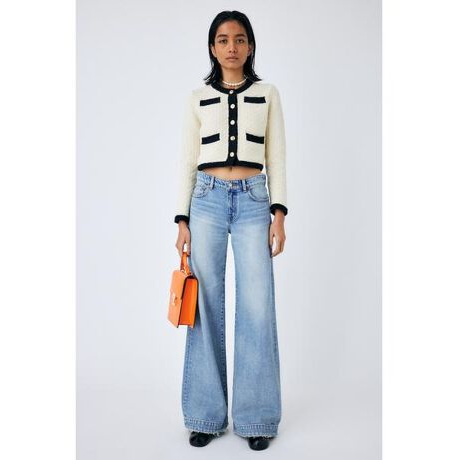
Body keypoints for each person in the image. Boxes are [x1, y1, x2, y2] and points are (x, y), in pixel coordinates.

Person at [174, 10, 288, 451]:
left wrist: (279, 213)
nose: (232, 47)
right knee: (204, 304)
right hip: (206, 200)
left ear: (250, 46)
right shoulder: (198, 97)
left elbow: (277, 156)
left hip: (255, 201)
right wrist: (182, 219)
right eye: (223, 40)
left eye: (239, 39)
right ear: (212, 47)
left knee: (257, 305)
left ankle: (257, 418)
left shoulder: (267, 94)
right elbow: (187, 161)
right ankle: (205, 415)